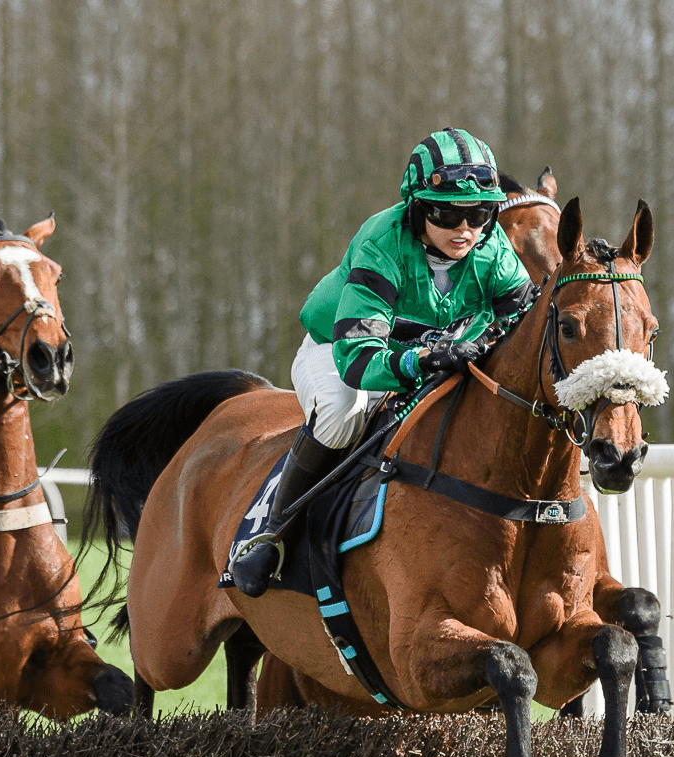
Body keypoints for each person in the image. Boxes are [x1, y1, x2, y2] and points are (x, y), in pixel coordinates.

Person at [227, 128, 540, 597]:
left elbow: (525, 323)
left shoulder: (493, 249)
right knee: (341, 413)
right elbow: (358, 359)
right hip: (340, 350)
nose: (465, 229)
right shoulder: (382, 241)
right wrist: (422, 358)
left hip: (428, 353)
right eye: (448, 213)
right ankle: (272, 533)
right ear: (417, 208)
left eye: (479, 214)